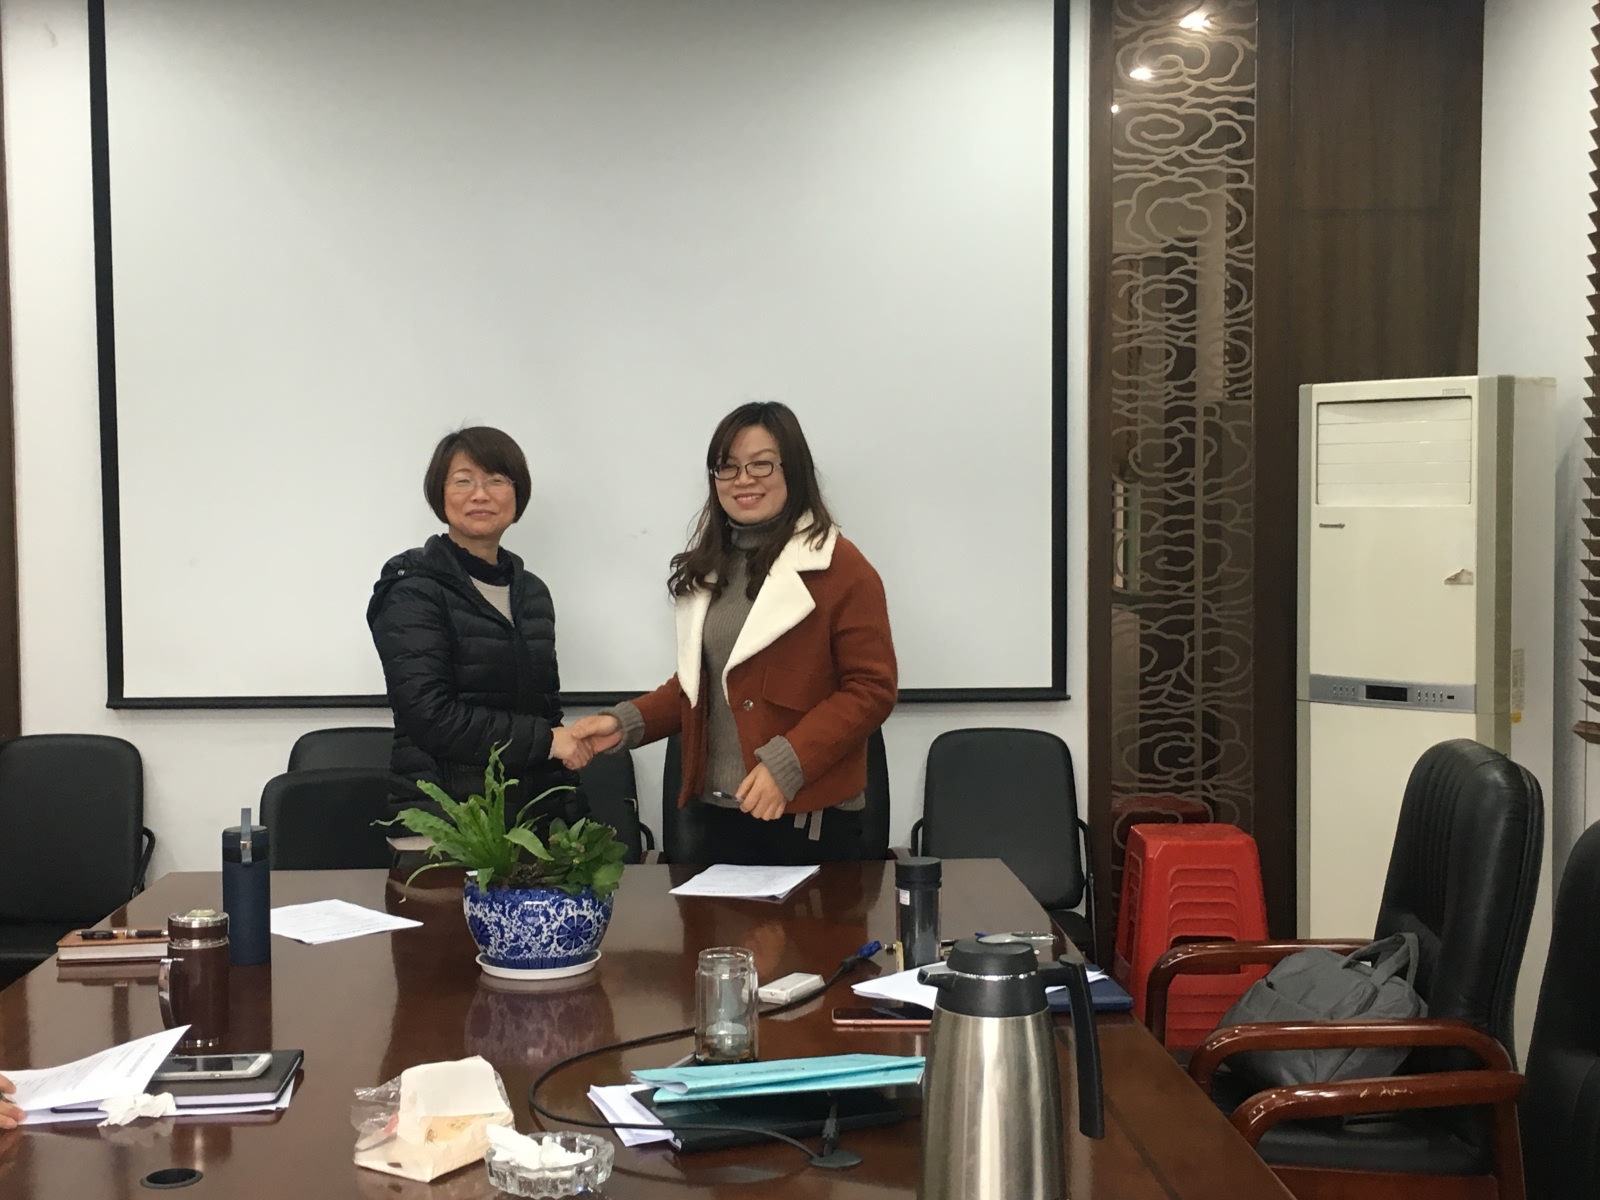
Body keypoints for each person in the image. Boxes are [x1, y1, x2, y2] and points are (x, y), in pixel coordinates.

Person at [570, 401, 897, 864]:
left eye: (761, 464)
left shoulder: (841, 566)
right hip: (718, 814)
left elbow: (871, 689)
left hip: (809, 817)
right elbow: (701, 684)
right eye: (727, 467)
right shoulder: (709, 567)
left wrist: (787, 763)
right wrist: (623, 722)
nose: (743, 479)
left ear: (794, 470)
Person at [368, 427, 591, 859]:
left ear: (517, 494)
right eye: (463, 480)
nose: (480, 494)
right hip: (444, 829)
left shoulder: (532, 593)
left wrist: (568, 815)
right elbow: (430, 715)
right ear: (440, 494)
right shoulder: (412, 589)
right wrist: (548, 740)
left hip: (528, 826)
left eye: (496, 480)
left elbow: (546, 713)